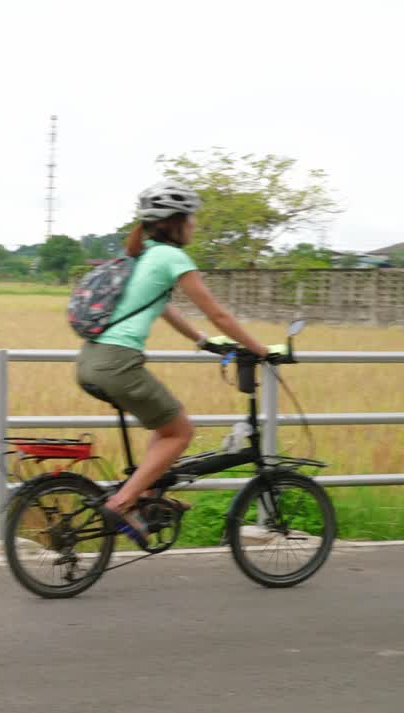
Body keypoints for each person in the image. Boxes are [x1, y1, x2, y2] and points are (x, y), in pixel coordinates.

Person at [75, 181, 269, 546]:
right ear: (173, 222)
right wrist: (260, 349)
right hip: (118, 363)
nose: (194, 224)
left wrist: (201, 341)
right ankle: (123, 503)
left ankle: (146, 494)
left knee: (163, 428)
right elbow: (218, 313)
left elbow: (162, 306)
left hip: (90, 360)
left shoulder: (144, 255)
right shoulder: (173, 258)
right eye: (190, 217)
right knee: (180, 431)